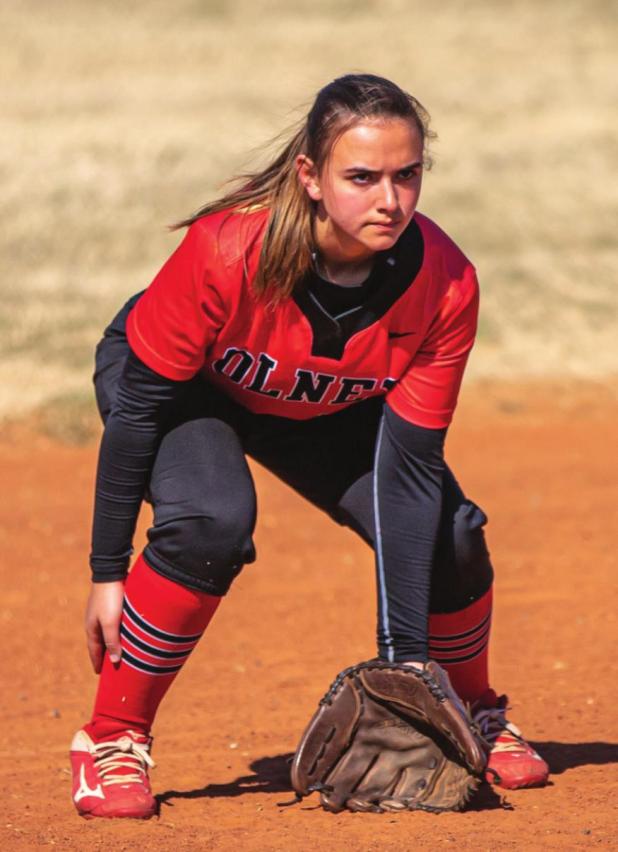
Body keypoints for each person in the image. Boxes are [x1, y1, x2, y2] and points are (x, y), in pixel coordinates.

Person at [70, 74, 549, 820]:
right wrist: (108, 573)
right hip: (190, 389)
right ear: (311, 178)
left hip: (324, 402)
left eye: (407, 175)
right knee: (211, 524)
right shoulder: (228, 249)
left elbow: (410, 474)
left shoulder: (445, 284)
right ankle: (112, 738)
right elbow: (138, 411)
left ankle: (473, 706)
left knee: (452, 535)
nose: (389, 200)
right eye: (362, 177)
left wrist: (406, 673)